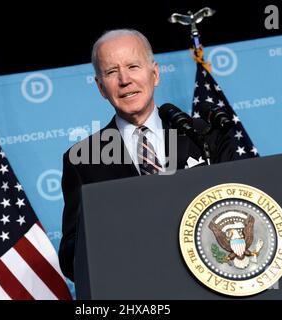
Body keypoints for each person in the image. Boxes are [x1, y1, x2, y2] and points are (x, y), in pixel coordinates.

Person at [59, 29, 236, 281]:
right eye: (111, 72)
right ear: (100, 87)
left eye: (133, 66)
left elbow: (241, 206)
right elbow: (70, 259)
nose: (124, 80)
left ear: (154, 74)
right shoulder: (82, 159)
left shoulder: (205, 135)